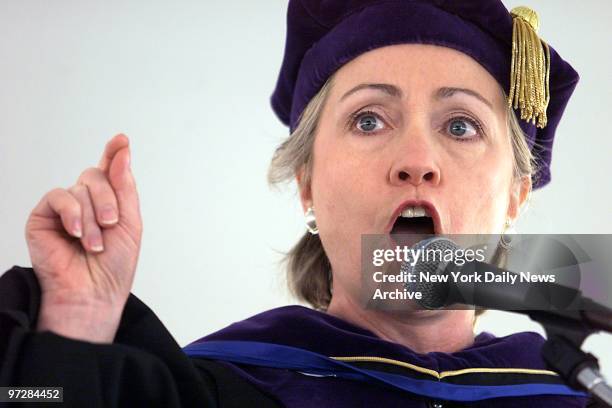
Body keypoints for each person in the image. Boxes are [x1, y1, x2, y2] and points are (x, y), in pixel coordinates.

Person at [0, 0, 588, 407]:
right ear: (307, 185)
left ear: (516, 195)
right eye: (368, 119)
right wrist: (72, 333)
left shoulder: (572, 395)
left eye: (460, 126)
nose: (417, 159)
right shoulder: (212, 388)